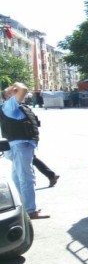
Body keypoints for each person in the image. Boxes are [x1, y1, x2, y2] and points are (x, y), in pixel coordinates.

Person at [0, 83, 49, 219]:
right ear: (8, 95)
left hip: (18, 146)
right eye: (13, 91)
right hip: (20, 146)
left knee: (18, 177)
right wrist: (14, 85)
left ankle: (22, 207)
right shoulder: (10, 104)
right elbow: (24, 88)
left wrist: (12, 89)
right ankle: (30, 210)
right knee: (26, 178)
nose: (17, 92)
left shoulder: (12, 106)